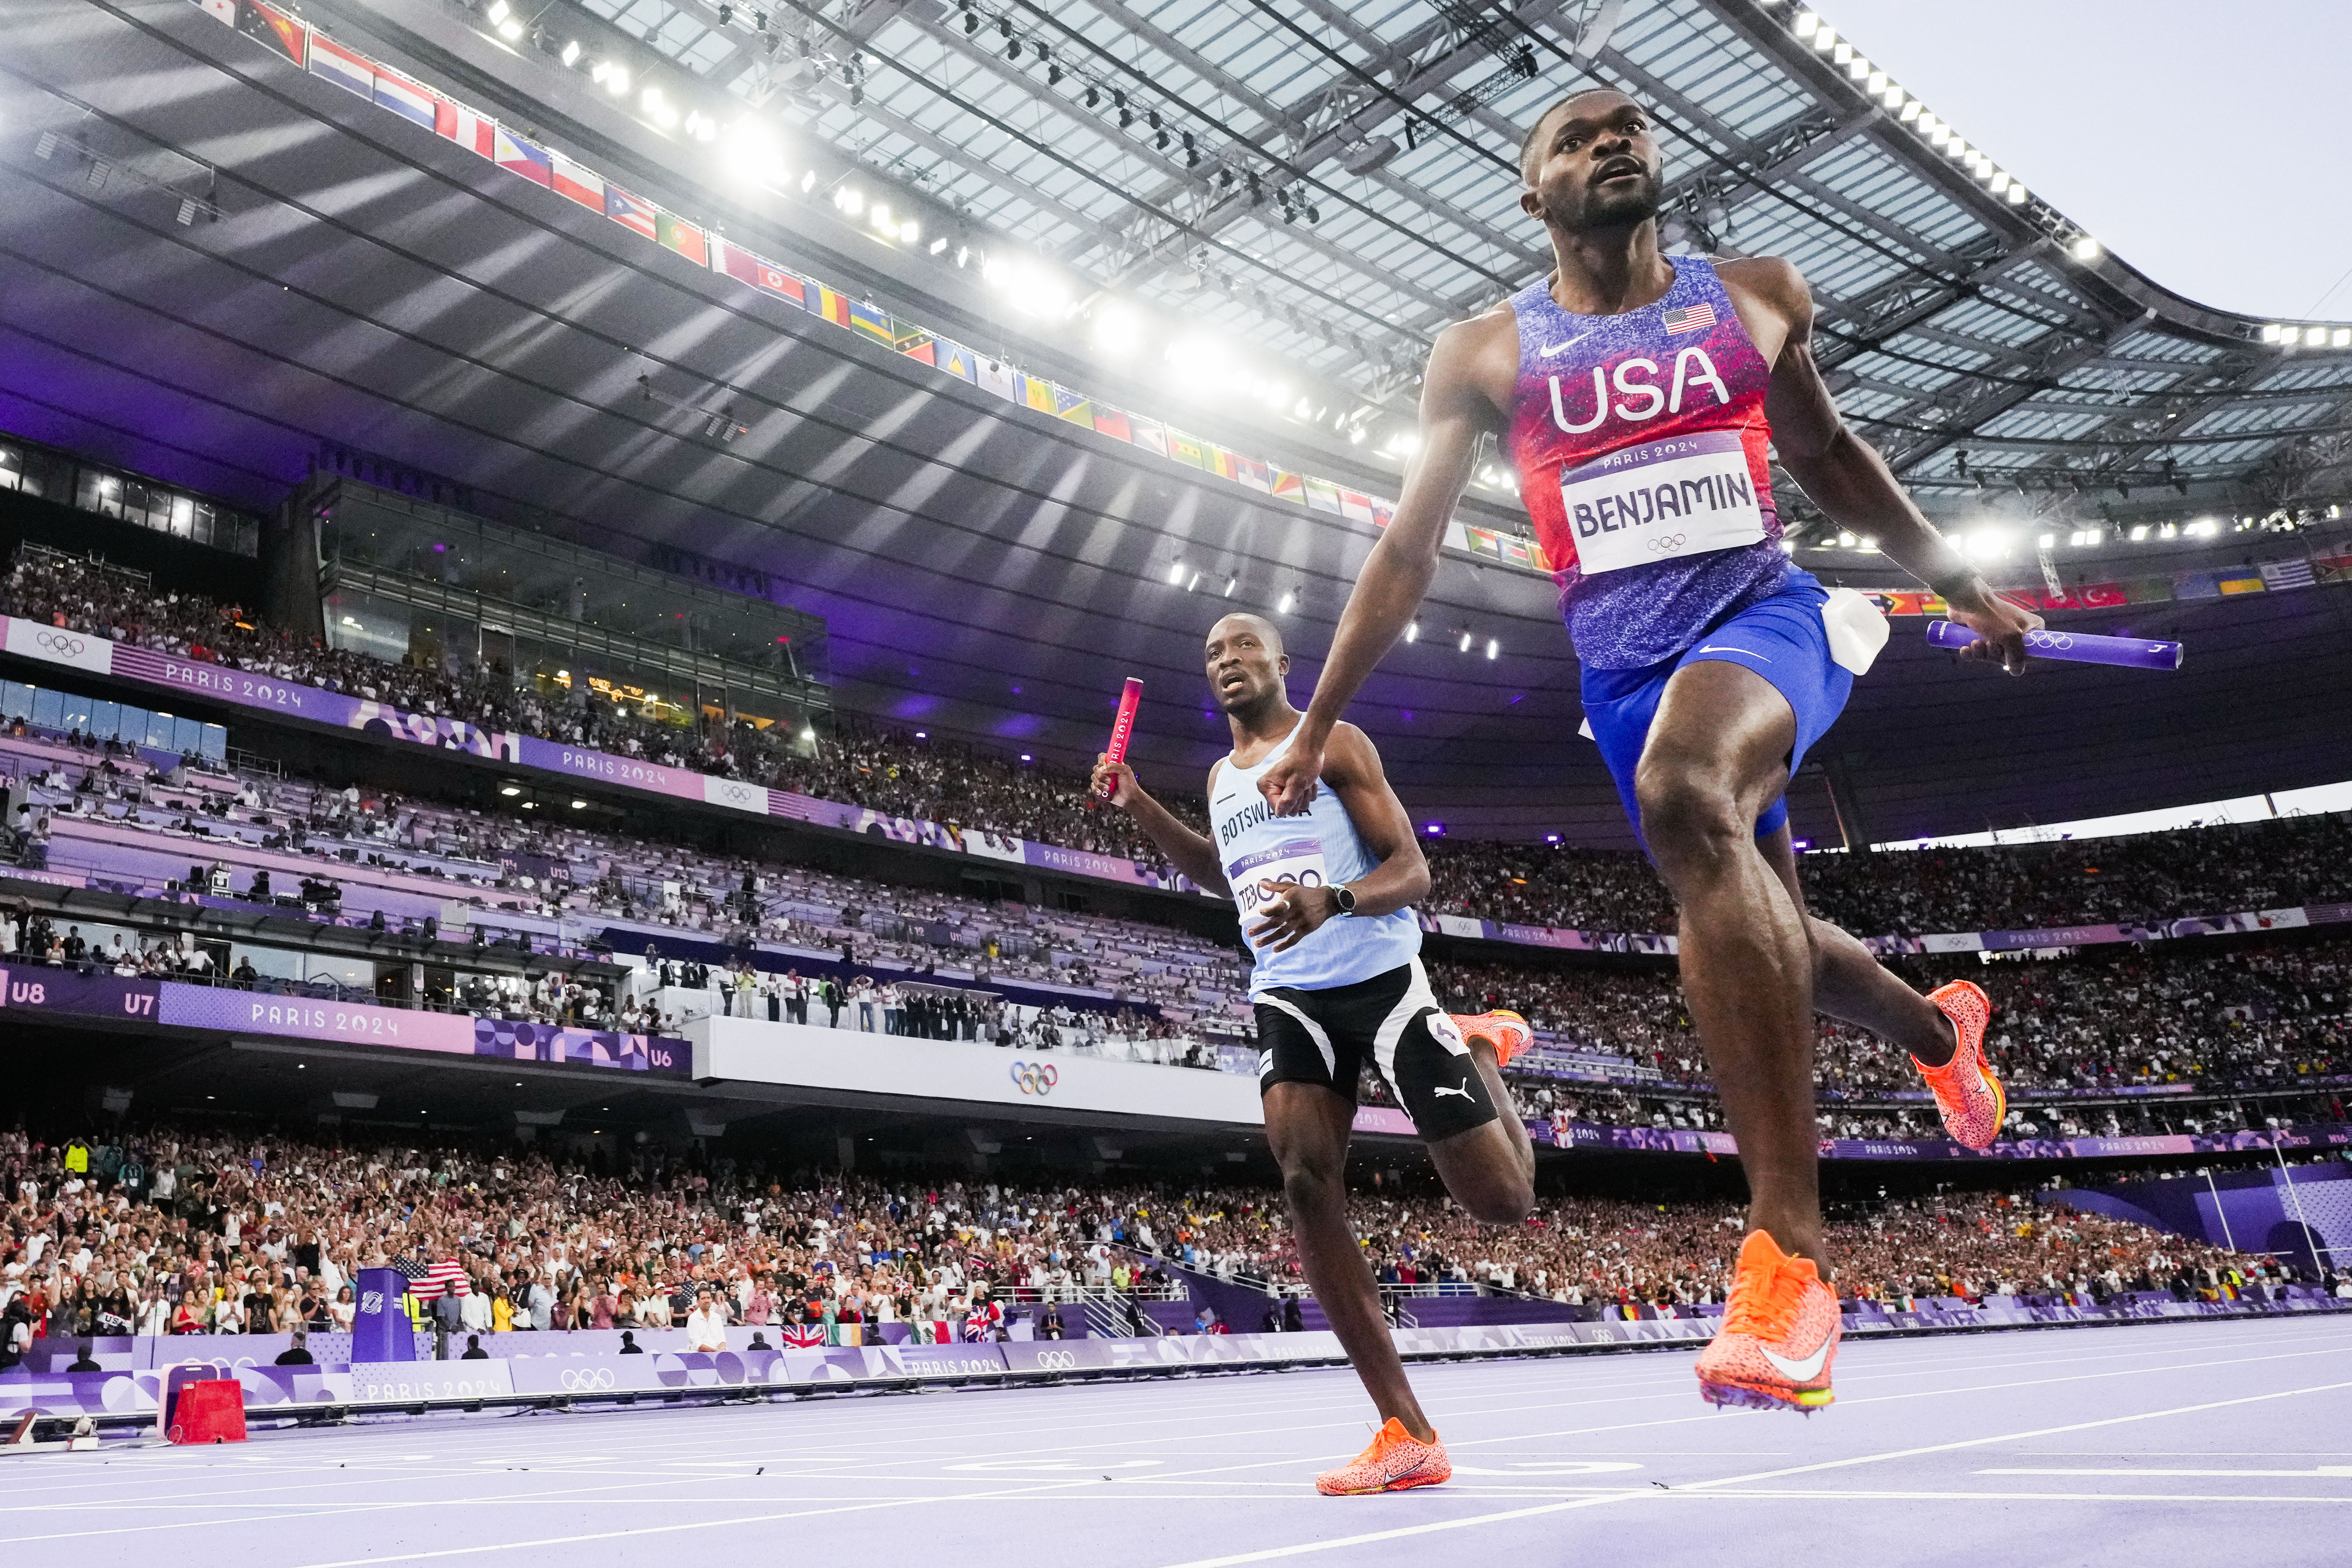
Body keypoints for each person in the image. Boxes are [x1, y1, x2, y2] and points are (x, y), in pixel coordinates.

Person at [1258, 88, 2033, 1418]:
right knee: (1767, 916)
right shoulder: (1487, 350)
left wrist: (1953, 579)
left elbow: (1828, 452)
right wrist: (1318, 716)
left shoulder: (1752, 297)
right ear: (1530, 191)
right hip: (1623, 675)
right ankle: (1933, 1025)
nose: (1608, 142)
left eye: (1625, 127)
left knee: (1689, 798)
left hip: (1761, 620)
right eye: (1570, 137)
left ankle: (1789, 1263)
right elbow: (1405, 548)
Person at [1092, 611, 1536, 1496]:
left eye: (1244, 645)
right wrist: (1140, 804)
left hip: (1380, 977)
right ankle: (1406, 1429)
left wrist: (1330, 899)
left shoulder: (1333, 743)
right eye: (1213, 650)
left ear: (1283, 663)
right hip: (1288, 992)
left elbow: (1411, 870)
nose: (1228, 659)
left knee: (1502, 1201)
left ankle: (1481, 1049)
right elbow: (1224, 878)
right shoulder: (1222, 776)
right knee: (1303, 1179)